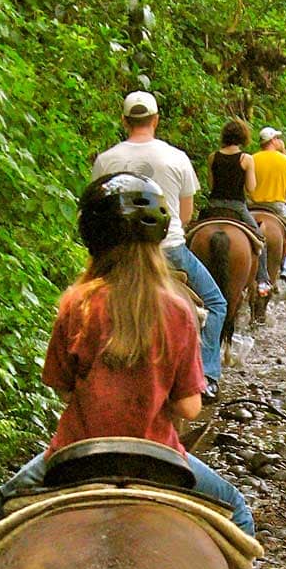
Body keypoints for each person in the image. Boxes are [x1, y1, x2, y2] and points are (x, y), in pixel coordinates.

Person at [0, 173, 257, 569]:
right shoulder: (177, 310)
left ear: (92, 239)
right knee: (240, 515)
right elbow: (190, 405)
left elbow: (60, 385)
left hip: (74, 455)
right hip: (161, 459)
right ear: (156, 240)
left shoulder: (76, 302)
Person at [90, 91, 224, 400]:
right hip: (170, 250)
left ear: (124, 121)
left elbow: (98, 209)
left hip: (117, 252)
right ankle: (208, 376)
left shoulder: (106, 160)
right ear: (156, 120)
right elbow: (187, 214)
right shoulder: (176, 157)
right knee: (217, 304)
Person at [201, 119, 271, 297]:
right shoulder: (245, 159)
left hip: (213, 205)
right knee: (260, 239)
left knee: (188, 235)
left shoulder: (213, 157)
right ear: (242, 137)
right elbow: (251, 188)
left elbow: (211, 184)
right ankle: (263, 280)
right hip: (237, 207)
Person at [249, 127, 286, 284]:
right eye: (278, 138)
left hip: (252, 204)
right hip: (277, 206)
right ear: (272, 140)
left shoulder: (251, 158)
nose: (280, 141)